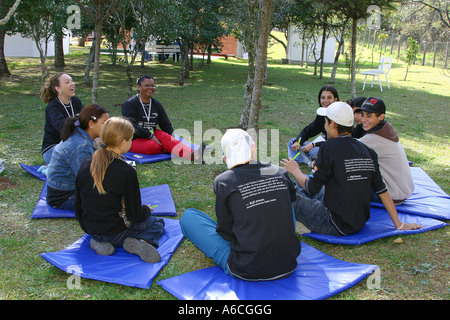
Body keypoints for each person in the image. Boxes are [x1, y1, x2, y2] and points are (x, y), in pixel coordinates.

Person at [281, 102, 422, 236]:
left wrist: (295, 170)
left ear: (333, 124)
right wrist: (399, 224)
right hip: (359, 221)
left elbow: (312, 188)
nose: (325, 126)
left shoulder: (328, 148)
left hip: (334, 223)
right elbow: (382, 190)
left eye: (326, 122)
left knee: (284, 194)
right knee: (296, 187)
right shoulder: (368, 150)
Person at [180, 129, 301, 281]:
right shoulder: (278, 172)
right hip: (288, 262)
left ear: (225, 158)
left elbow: (225, 232)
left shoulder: (224, 181)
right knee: (283, 198)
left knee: (189, 217)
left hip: (246, 267)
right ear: (253, 148)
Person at [74, 117, 165, 263]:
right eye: (131, 140)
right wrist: (146, 210)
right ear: (123, 142)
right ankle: (141, 242)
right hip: (116, 232)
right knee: (157, 223)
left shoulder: (86, 164)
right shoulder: (126, 172)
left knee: (105, 228)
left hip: (91, 229)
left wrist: (89, 230)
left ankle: (98, 242)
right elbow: (134, 215)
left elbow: (78, 205)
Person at [121, 75, 203, 162]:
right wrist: (149, 135)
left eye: (152, 85)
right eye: (147, 85)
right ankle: (169, 148)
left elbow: (165, 124)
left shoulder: (156, 104)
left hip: (153, 133)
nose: (150, 88)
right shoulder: (130, 104)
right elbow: (130, 125)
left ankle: (193, 155)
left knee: (166, 137)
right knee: (153, 146)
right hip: (134, 138)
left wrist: (172, 138)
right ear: (138, 87)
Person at [46, 104, 109, 211]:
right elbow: (88, 180)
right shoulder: (81, 146)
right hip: (63, 197)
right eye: (104, 123)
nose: (108, 127)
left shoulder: (80, 136)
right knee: (111, 201)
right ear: (91, 124)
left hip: (64, 191)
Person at [358, 97, 414, 204]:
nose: (364, 119)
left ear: (381, 117)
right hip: (403, 190)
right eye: (362, 114)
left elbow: (345, 148)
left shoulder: (374, 139)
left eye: (369, 116)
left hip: (393, 195)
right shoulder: (386, 128)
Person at [288, 85, 339, 165]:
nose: (325, 101)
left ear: (335, 99)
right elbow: (310, 130)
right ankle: (310, 162)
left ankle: (309, 161)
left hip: (334, 150)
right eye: (323, 98)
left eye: (329, 98)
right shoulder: (322, 114)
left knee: (322, 152)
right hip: (321, 146)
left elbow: (337, 142)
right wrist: (298, 142)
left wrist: (314, 144)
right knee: (292, 142)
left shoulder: (340, 115)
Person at [41, 72, 83, 164]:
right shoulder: (53, 107)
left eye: (72, 81)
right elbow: (64, 129)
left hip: (74, 145)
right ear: (58, 88)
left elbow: (85, 120)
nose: (72, 84)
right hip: (53, 148)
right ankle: (48, 170)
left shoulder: (76, 102)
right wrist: (78, 123)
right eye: (67, 82)